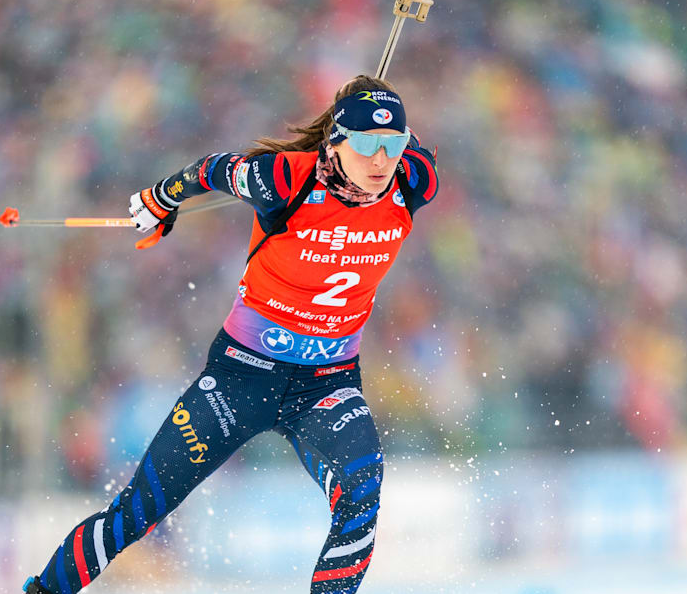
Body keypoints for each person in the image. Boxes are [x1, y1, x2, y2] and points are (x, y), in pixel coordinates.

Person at [24, 75, 438, 594]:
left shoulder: (413, 181)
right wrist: (160, 199)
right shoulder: (285, 179)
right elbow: (214, 170)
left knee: (362, 493)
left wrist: (377, 108)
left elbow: (410, 143)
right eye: (367, 145)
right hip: (242, 377)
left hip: (327, 384)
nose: (382, 161)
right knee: (138, 512)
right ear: (335, 142)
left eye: (393, 145)